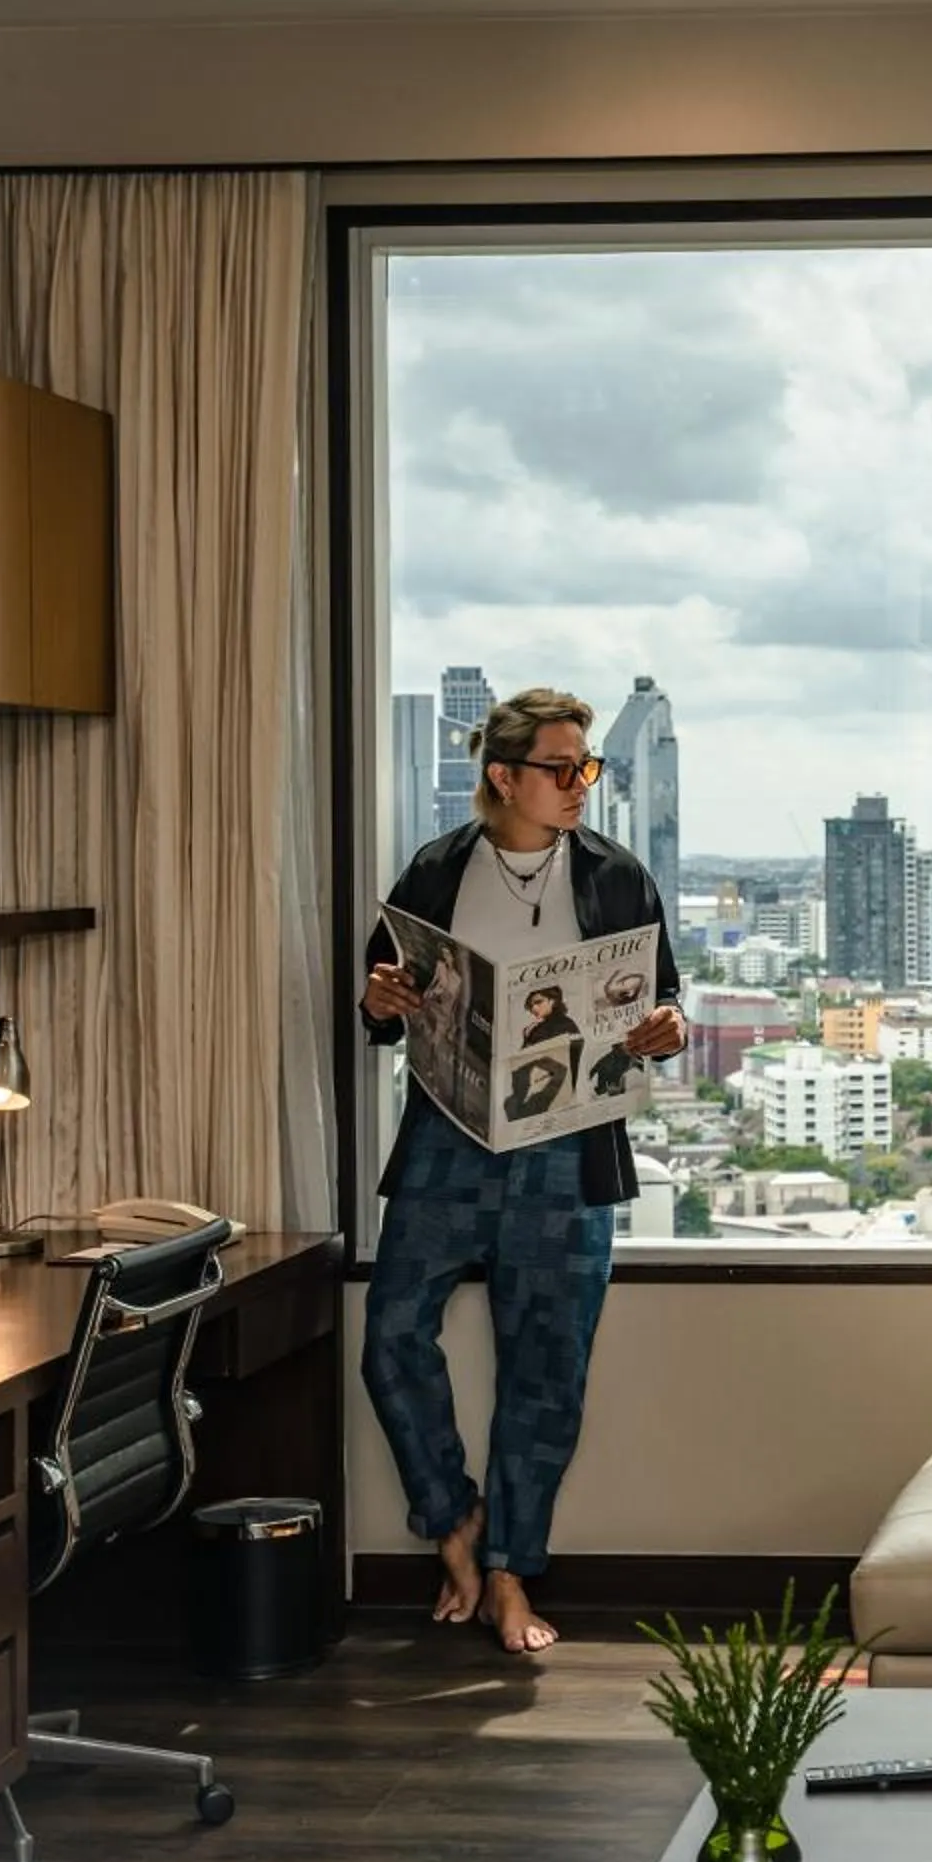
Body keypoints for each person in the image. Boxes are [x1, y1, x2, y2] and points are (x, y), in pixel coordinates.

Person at [357, 688, 685, 1653]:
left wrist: (663, 1029)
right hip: (447, 1141)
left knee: (548, 1369)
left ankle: (509, 1573)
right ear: (503, 777)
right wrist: (381, 999)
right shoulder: (436, 869)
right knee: (391, 1335)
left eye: (588, 767)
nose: (581, 783)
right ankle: (451, 1520)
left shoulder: (617, 876)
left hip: (569, 1150)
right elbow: (384, 1009)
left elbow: (660, 1007)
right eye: (562, 767)